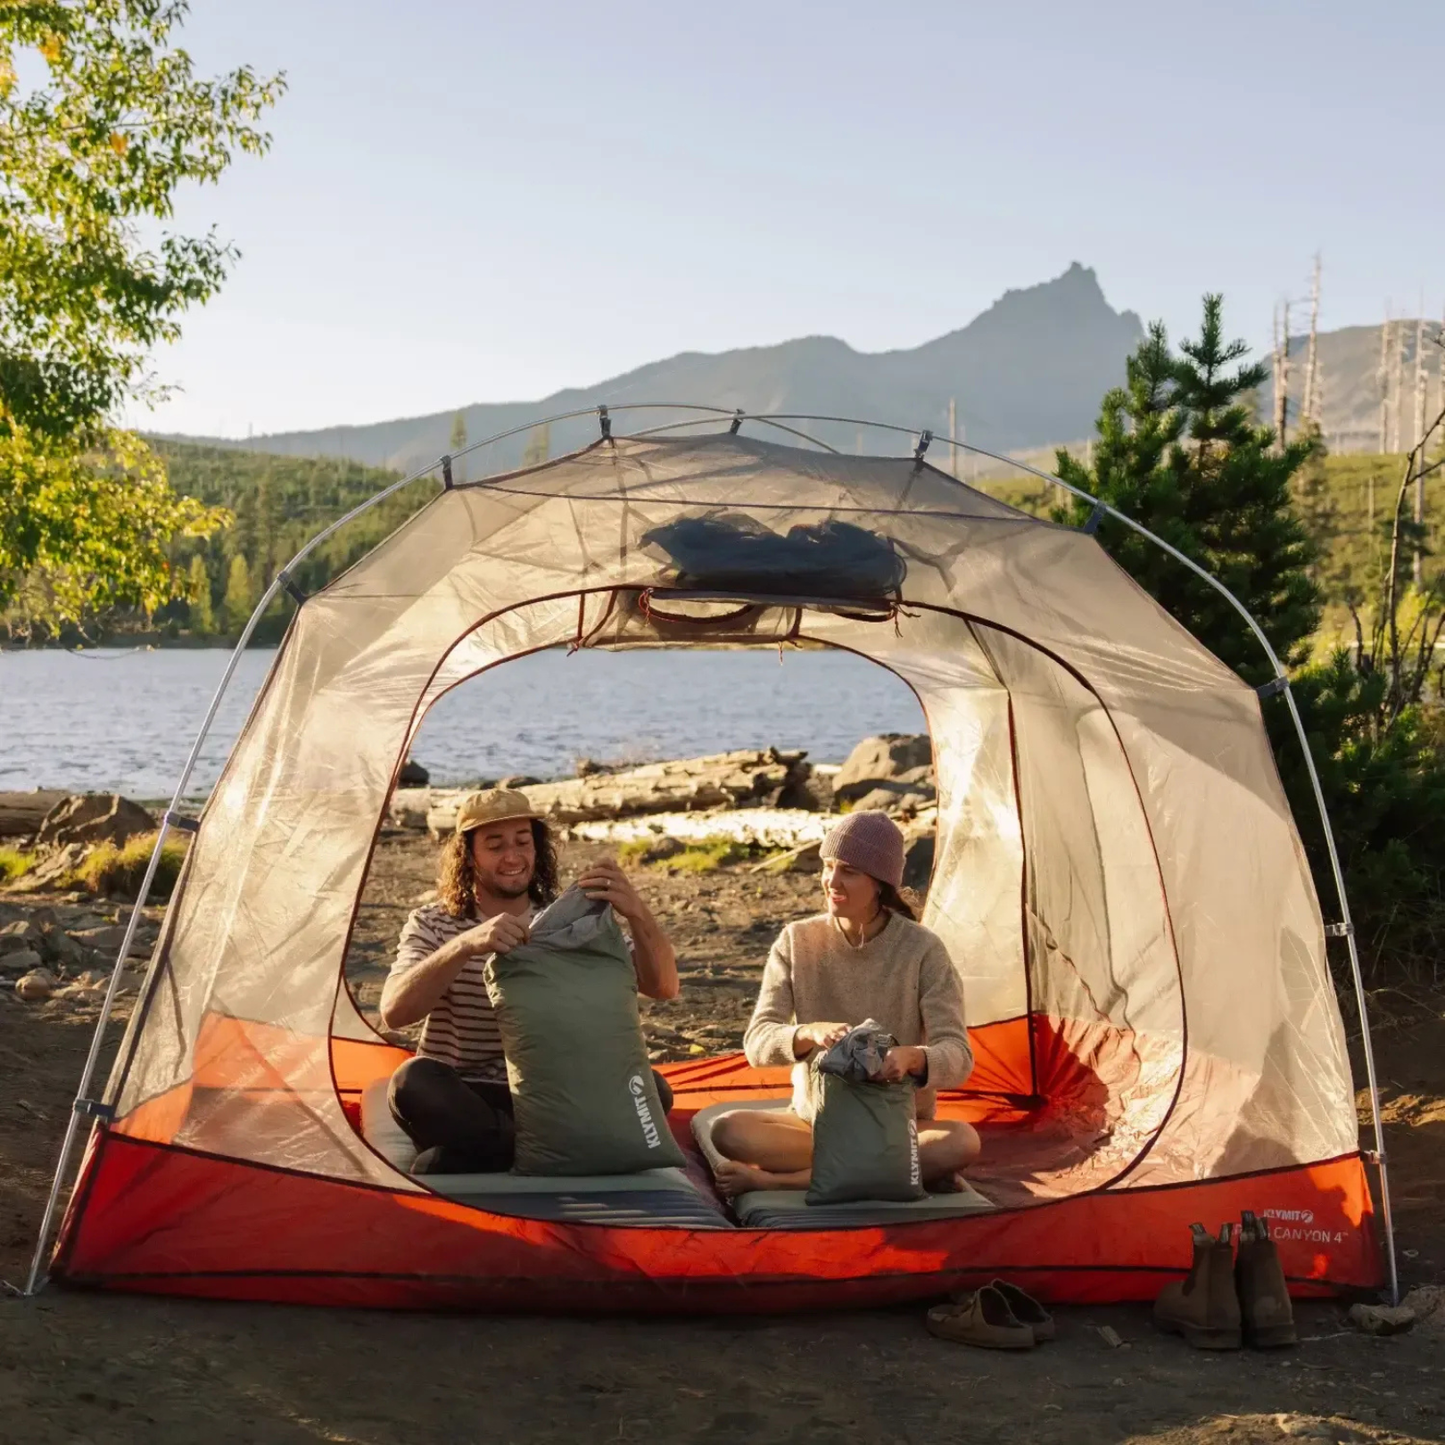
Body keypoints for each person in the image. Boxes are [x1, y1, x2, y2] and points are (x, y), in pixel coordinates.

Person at [379, 787, 679, 1173]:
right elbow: (394, 1012)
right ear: (468, 855)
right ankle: (549, 1149)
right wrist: (463, 946)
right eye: (495, 845)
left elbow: (664, 987)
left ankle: (483, 1155)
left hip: (559, 1095)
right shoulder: (433, 923)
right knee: (412, 1083)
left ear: (537, 849)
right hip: (473, 1096)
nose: (512, 856)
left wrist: (638, 914)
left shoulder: (567, 920)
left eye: (523, 842)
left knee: (653, 1090)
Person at [711, 810, 979, 1197]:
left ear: (881, 883)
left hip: (896, 1126)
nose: (831, 881)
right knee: (729, 1131)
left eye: (848, 871)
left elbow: (958, 1056)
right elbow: (758, 1043)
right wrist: (807, 1032)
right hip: (814, 1123)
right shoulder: (796, 940)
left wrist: (912, 1058)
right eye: (828, 866)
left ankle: (777, 1181)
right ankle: (902, 1172)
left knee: (962, 1142)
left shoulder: (923, 949)